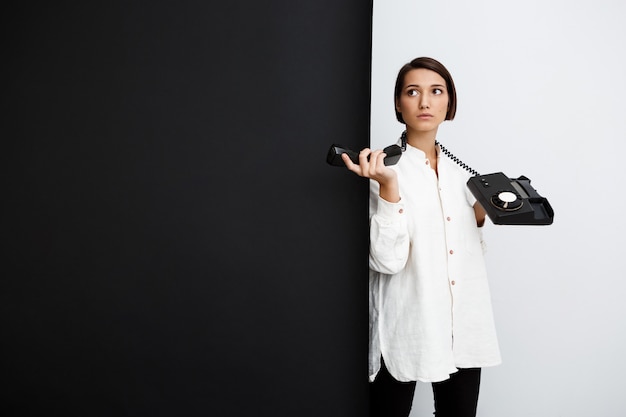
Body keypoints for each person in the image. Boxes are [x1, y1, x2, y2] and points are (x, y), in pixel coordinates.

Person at [342, 57, 502, 417]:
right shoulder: (381, 169)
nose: (425, 102)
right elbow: (386, 260)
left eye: (436, 91)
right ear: (399, 104)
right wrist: (388, 190)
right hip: (406, 323)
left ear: (449, 103)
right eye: (412, 92)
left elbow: (463, 257)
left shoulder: (464, 179)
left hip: (462, 325)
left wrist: (478, 219)